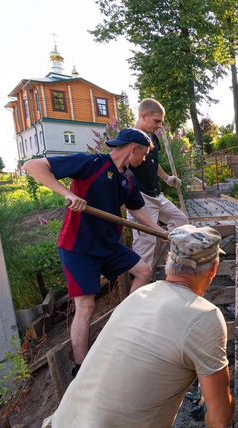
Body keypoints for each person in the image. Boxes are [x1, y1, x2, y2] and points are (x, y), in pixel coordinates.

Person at [41, 225, 235, 428]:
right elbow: (218, 421)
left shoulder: (141, 294)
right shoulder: (205, 317)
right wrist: (223, 396)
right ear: (214, 269)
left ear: (168, 262)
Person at [24, 128, 167, 373]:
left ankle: (123, 321)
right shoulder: (90, 163)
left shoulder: (128, 179)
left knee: (143, 271)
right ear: (134, 149)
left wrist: (160, 231)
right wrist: (67, 193)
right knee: (86, 306)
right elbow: (33, 166)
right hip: (79, 247)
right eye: (143, 154)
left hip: (108, 245)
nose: (144, 160)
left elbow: (138, 211)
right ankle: (81, 367)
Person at [127, 98, 188, 267]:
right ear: (143, 116)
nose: (160, 125)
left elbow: (154, 163)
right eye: (156, 121)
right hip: (141, 198)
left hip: (156, 193)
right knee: (146, 243)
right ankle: (141, 283)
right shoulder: (129, 138)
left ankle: (174, 262)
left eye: (161, 121)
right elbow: (121, 167)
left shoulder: (153, 137)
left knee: (180, 220)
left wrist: (167, 178)